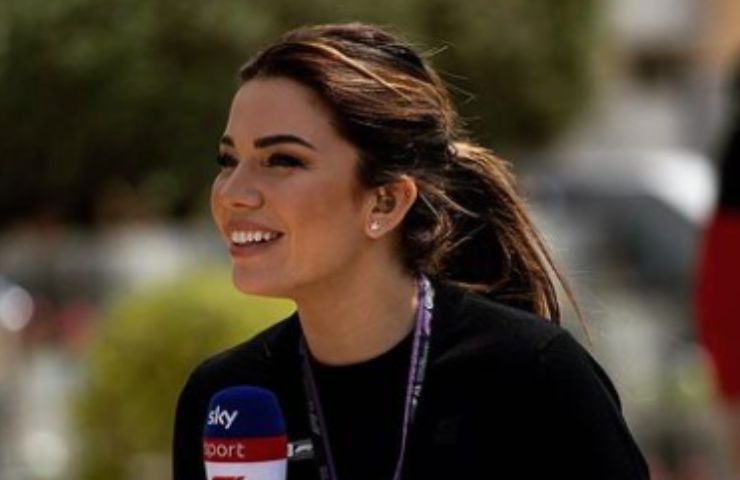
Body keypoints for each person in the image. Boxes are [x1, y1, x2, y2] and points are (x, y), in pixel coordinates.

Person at [172, 22, 650, 480]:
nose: (232, 193)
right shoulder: (224, 397)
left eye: (282, 160)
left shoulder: (534, 376)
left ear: (386, 201)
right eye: (228, 160)